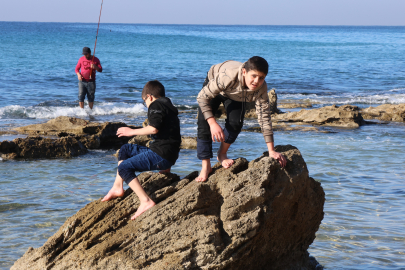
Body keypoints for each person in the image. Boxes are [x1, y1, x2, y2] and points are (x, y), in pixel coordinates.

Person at [196, 56, 287, 182]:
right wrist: (212, 123)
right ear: (244, 72)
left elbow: (264, 117)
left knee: (236, 123)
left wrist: (271, 150)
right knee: (204, 122)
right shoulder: (227, 77)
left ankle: (222, 154)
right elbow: (202, 97)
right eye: (253, 76)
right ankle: (206, 166)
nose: (256, 81)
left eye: (261, 78)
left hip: (237, 94)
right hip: (217, 84)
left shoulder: (261, 88)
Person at [102, 80, 181, 220]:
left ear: (149, 97)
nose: (146, 105)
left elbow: (154, 128)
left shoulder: (156, 105)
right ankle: (117, 187)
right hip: (169, 155)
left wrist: (131, 131)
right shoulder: (169, 106)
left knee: (124, 168)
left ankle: (145, 201)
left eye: (145, 102)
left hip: (161, 155)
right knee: (125, 149)